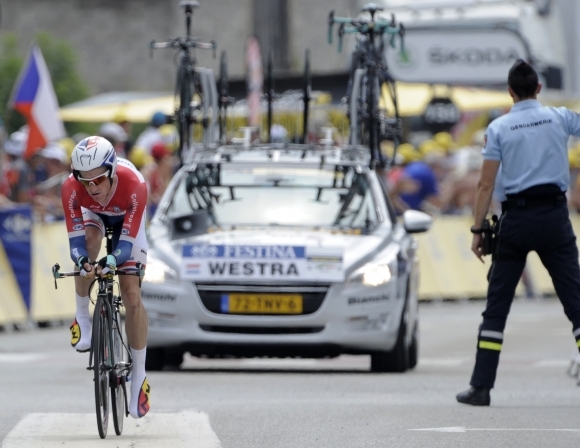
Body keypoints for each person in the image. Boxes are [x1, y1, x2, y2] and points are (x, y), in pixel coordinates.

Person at [457, 59, 580, 406]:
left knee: (496, 308)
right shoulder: (560, 117)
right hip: (555, 218)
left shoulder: (499, 128)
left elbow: (484, 184)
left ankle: (481, 388)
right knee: (576, 303)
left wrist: (478, 229)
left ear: (509, 92)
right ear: (538, 89)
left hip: (516, 221)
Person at [61, 136, 151, 419]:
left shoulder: (135, 184)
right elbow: (75, 244)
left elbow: (125, 247)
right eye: (84, 180)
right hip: (94, 216)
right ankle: (82, 318)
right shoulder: (71, 189)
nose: (91, 187)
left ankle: (139, 376)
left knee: (131, 293)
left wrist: (111, 260)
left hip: (127, 216)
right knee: (89, 244)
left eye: (98, 180)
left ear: (111, 171)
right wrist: (84, 261)